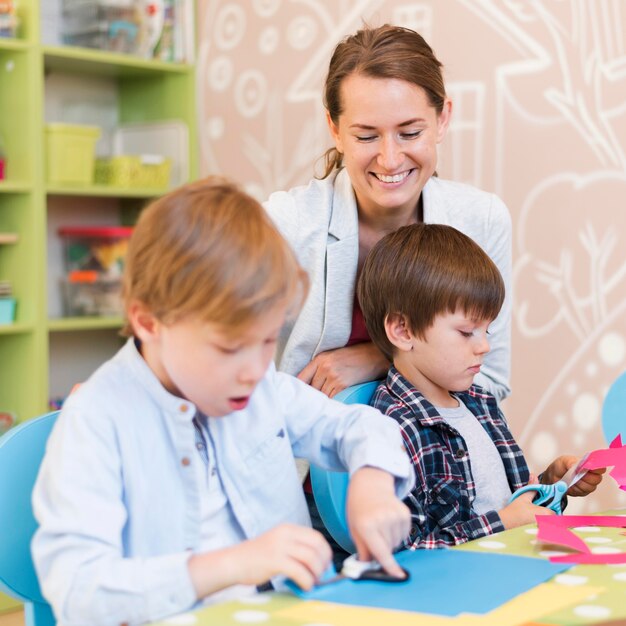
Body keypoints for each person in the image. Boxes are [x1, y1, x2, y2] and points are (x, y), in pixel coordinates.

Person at [31, 177, 414, 626]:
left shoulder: (260, 389)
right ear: (148, 321)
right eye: (230, 348)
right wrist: (233, 564)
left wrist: (372, 481)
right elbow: (79, 590)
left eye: (267, 340)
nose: (254, 368)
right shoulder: (97, 421)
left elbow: (359, 427)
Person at [264, 23, 511, 403]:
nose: (390, 159)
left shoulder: (482, 219)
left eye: (410, 133)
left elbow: (490, 382)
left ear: (442, 118)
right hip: (311, 458)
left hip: (436, 457)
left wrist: (382, 357)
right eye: (366, 136)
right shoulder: (285, 224)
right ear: (334, 128)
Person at [357, 223, 605, 549]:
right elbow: (404, 550)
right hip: (458, 591)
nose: (484, 346)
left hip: (514, 565)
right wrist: (504, 522)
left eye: (486, 331)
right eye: (466, 332)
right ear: (403, 331)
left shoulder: (480, 402)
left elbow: (504, 503)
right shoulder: (391, 427)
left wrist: (551, 484)